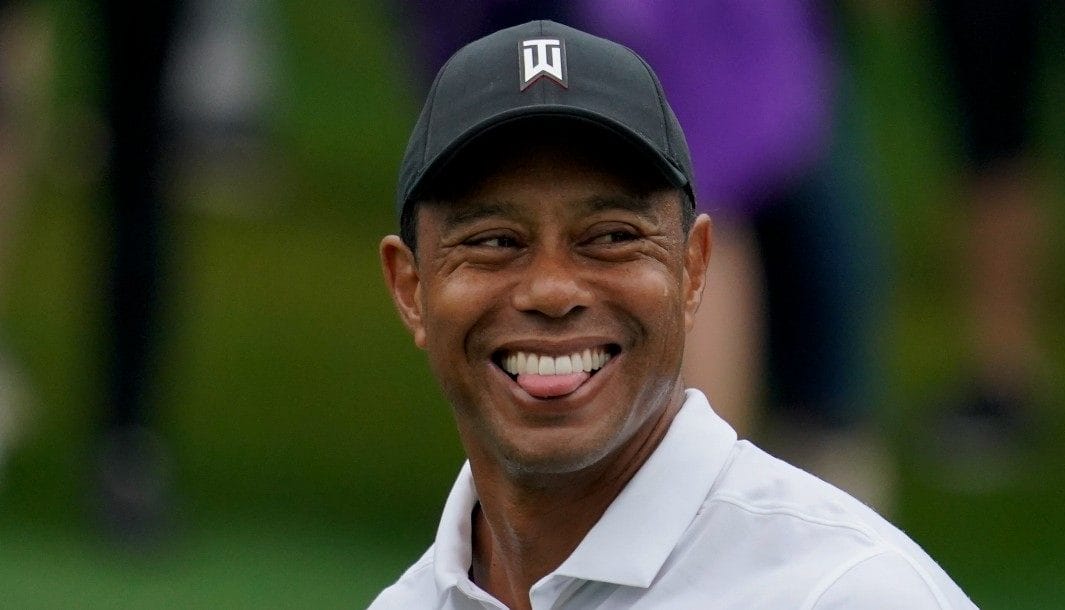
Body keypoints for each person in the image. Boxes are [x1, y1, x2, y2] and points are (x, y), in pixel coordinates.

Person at [372, 20, 976, 610]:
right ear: (410, 288)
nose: (552, 290)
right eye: (495, 241)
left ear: (693, 271)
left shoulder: (845, 593)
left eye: (610, 236)